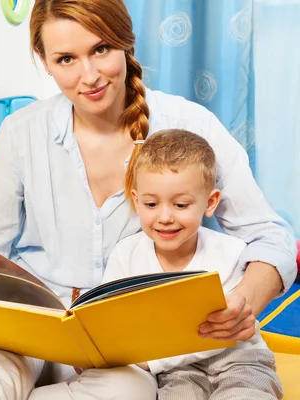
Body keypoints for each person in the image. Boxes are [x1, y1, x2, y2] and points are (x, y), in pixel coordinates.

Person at [0, 0, 297, 399]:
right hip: (31, 325)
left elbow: (271, 238)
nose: (89, 76)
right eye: (66, 59)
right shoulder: (20, 132)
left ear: (126, 43)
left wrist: (242, 303)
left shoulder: (191, 125)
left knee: (128, 391)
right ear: (44, 61)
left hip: (127, 353)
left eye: (101, 49)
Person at [102, 129, 284, 399]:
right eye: (151, 204)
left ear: (209, 203)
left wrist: (150, 361)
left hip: (241, 361)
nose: (164, 217)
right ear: (136, 201)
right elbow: (107, 318)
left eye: (180, 204)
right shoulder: (125, 255)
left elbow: (217, 336)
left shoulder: (231, 253)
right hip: (178, 372)